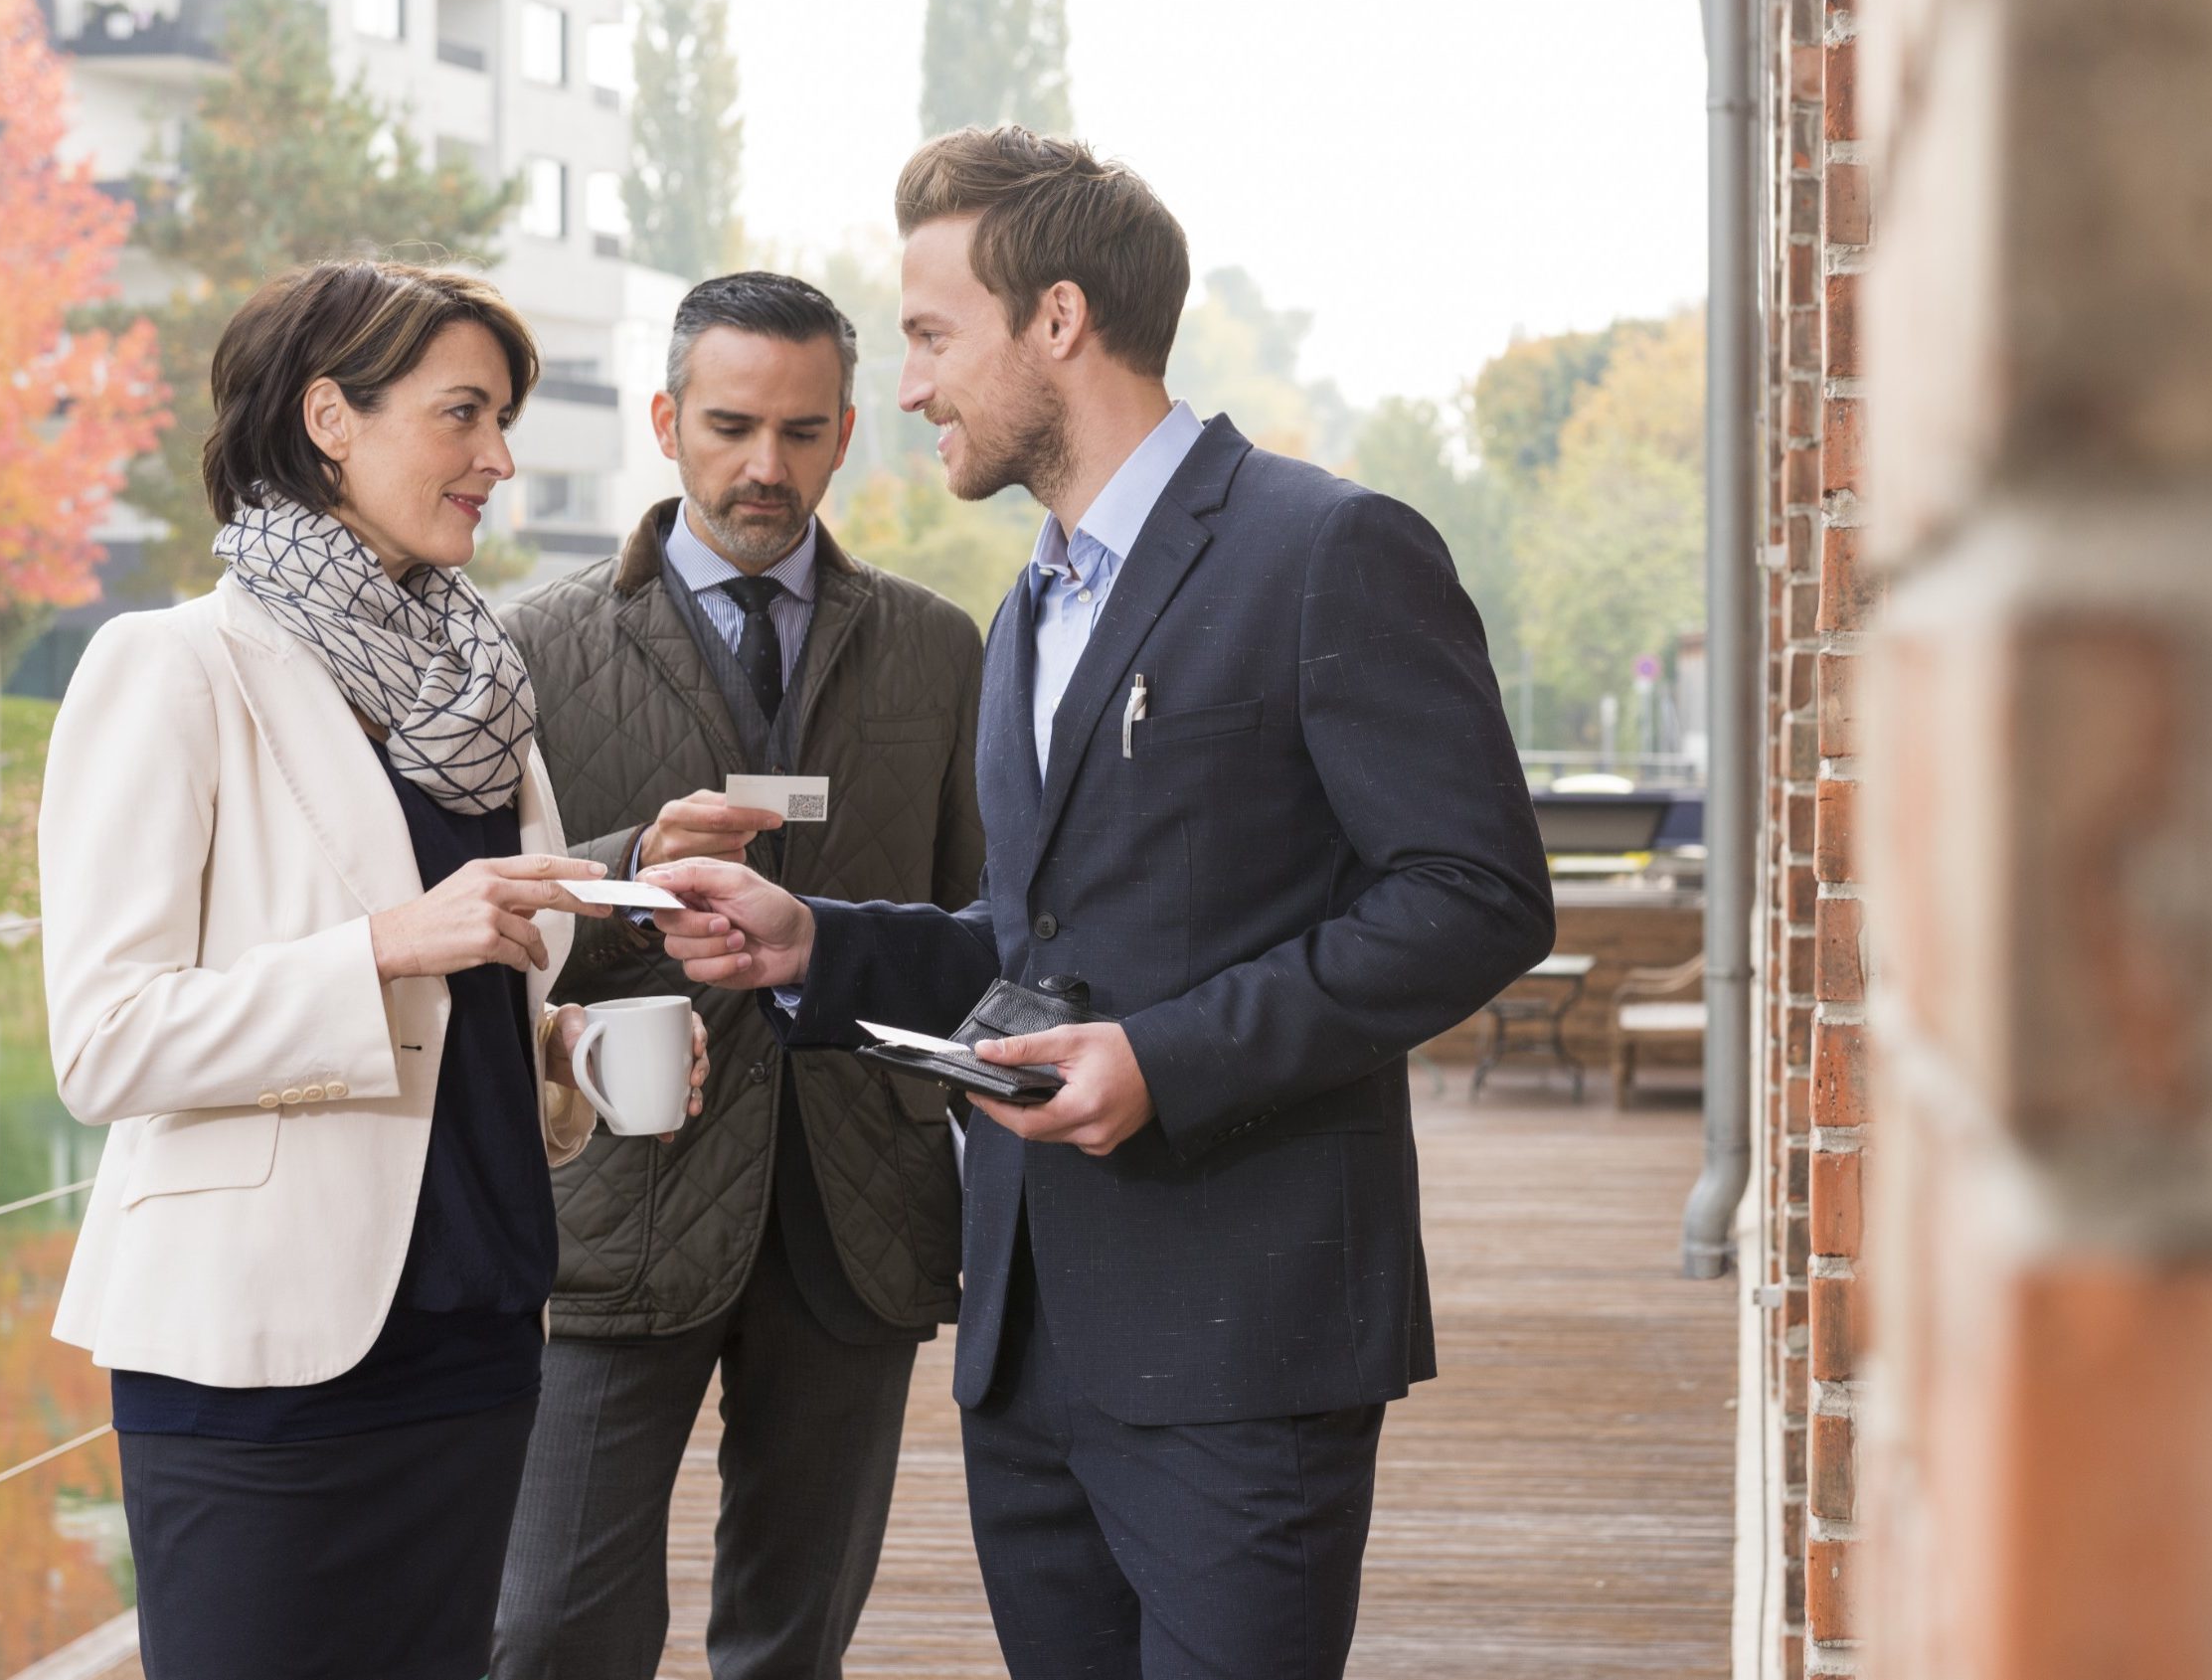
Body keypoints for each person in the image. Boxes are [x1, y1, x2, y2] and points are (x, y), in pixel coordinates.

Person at [645, 128, 1557, 1679]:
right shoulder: (1029, 604)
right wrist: (818, 942)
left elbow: (1478, 895)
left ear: (1057, 319)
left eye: (933, 336)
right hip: (1028, 1347)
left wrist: (1166, 1059)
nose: (911, 388)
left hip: (1243, 1350)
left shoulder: (1329, 548)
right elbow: (1034, 941)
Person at [37, 259, 707, 1680]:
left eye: (504, 419)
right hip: (257, 1359)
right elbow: (106, 1041)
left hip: (476, 1338)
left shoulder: (477, 691)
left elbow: (471, 1000)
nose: (499, 458)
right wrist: (388, 943)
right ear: (330, 417)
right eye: (463, 413)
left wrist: (571, 1054)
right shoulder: (172, 667)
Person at [492, 271, 985, 1679]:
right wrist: (635, 873)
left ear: (846, 436)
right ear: (665, 422)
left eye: (802, 430)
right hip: (611, 1210)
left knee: (793, 1642)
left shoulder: (939, 650)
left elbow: (986, 927)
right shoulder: (531, 650)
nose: (766, 464)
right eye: (729, 426)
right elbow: (492, 924)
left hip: (859, 1210)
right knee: (549, 1631)